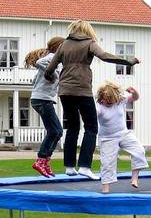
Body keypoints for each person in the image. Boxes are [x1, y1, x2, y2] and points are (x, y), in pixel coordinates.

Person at [45, 20, 140, 179]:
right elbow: (105, 56)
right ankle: (84, 166)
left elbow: (49, 69)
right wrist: (128, 62)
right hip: (82, 90)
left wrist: (53, 79)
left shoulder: (64, 45)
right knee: (91, 127)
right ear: (87, 31)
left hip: (65, 92)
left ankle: (69, 166)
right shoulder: (89, 43)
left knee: (72, 127)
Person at [95, 82, 148, 193]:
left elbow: (135, 98)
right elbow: (92, 115)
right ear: (101, 98)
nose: (109, 103)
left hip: (124, 134)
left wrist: (135, 92)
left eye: (111, 101)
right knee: (107, 163)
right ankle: (105, 190)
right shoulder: (99, 107)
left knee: (139, 150)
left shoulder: (120, 100)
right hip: (107, 138)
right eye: (106, 101)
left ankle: (134, 179)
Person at [26, 36, 65, 178]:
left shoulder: (57, 61)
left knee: (58, 131)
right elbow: (39, 62)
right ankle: (41, 160)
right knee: (54, 131)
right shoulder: (52, 57)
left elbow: (34, 80)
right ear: (58, 47)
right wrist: (54, 75)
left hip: (41, 99)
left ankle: (45, 161)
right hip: (42, 100)